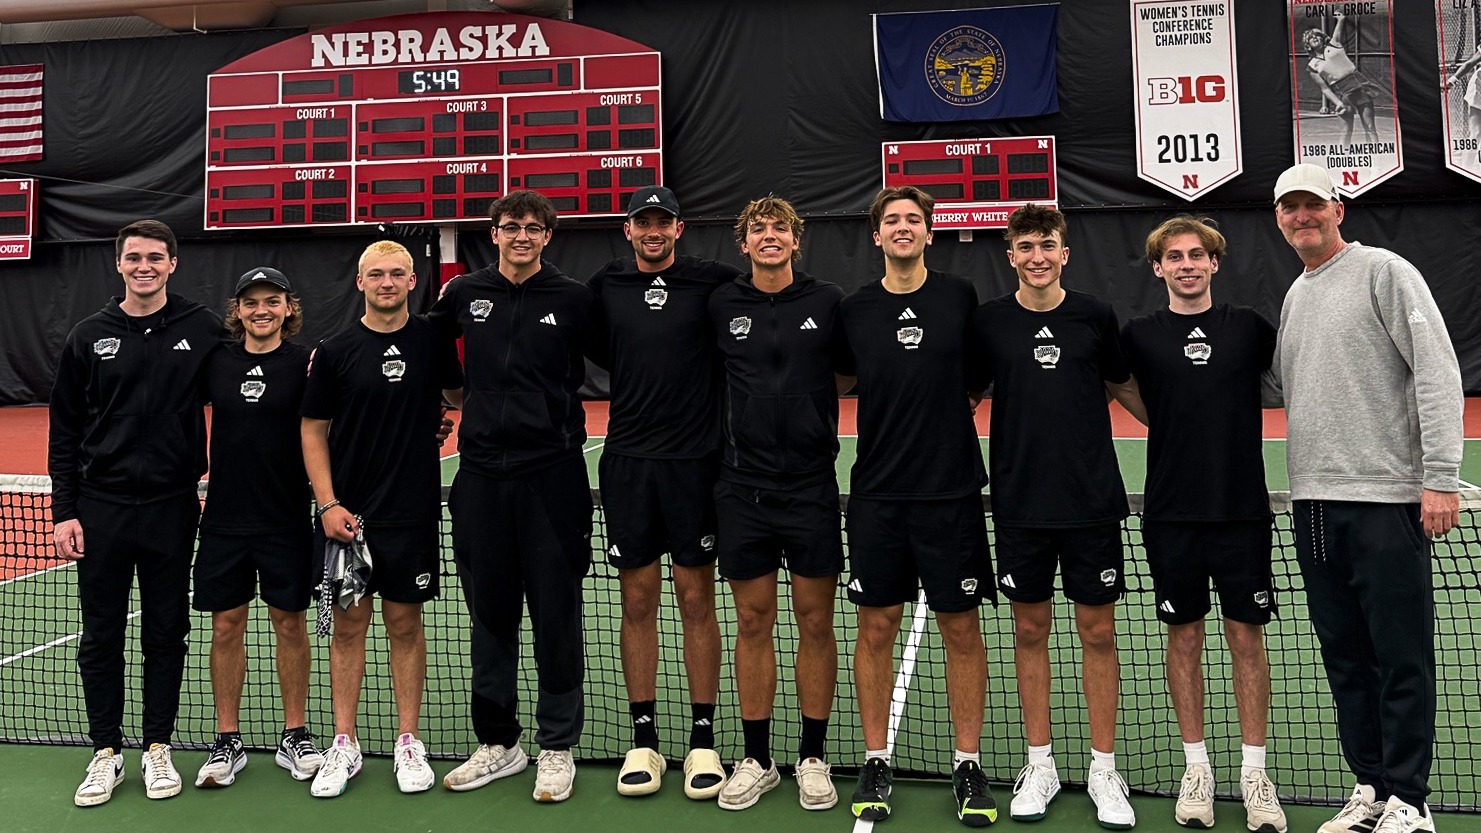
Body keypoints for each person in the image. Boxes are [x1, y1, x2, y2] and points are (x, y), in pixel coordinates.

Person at [1271, 164, 1463, 833]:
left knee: (1398, 655)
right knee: (1344, 656)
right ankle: (1371, 789)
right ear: (1277, 218)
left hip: (1384, 502)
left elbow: (1436, 369)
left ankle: (1410, 799)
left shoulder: (1385, 270)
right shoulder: (1296, 294)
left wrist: (1438, 475)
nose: (1302, 217)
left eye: (1312, 205)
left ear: (1337, 208)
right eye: (1289, 208)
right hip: (1313, 506)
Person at [969, 203, 1145, 830]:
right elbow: (960, 395)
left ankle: (1103, 768)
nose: (1037, 256)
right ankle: (1038, 764)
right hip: (1020, 504)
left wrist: (1187, 431)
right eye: (1025, 247)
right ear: (1010, 255)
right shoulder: (989, 322)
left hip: (1091, 503)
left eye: (1047, 245)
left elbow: (1127, 388)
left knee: (1098, 634)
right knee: (1029, 632)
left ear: (1063, 252)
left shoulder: (1095, 315)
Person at [1120, 217, 1287, 833]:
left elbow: (1292, 377)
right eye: (1175, 257)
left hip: (1242, 511)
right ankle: (1198, 770)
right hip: (1170, 515)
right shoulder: (1138, 335)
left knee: (1247, 640)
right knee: (1183, 639)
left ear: (1214, 264)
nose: (1187, 265)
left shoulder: (1248, 329)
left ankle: (1253, 775)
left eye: (1197, 255)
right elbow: (1122, 387)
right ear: (1158, 268)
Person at [49, 219, 225, 806]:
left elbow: (260, 380)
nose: (144, 266)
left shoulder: (202, 329)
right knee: (101, 635)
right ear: (118, 264)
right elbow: (65, 430)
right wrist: (64, 511)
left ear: (173, 263)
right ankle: (106, 752)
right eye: (133, 257)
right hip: (101, 510)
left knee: (166, 632)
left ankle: (156, 748)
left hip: (173, 508)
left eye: (155, 257)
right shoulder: (87, 336)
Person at [430, 190, 596, 804]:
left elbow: (624, 357)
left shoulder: (575, 298)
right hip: (480, 480)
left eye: (532, 227)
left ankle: (557, 745)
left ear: (547, 236)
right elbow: (429, 351)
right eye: (510, 227)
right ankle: (499, 742)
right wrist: (453, 399)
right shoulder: (464, 294)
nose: (521, 236)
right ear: (493, 233)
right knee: (490, 616)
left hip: (553, 478)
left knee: (557, 612)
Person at [839, 186, 996, 828]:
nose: (902, 228)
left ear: (929, 233)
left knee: (961, 629)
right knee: (875, 629)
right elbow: (844, 378)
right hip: (877, 494)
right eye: (890, 221)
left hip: (951, 492)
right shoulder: (855, 310)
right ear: (876, 236)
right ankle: (876, 756)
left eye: (913, 220)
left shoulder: (959, 298)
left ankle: (967, 762)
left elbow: (980, 371)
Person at [585, 186, 741, 799]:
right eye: (643, 222)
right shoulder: (605, 287)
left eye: (664, 222)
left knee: (695, 596)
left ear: (680, 229)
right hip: (627, 465)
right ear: (628, 230)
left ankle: (703, 739)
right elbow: (593, 346)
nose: (653, 231)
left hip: (695, 467)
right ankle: (644, 739)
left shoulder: (716, 282)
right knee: (637, 600)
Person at [300, 240, 463, 798]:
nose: (387, 282)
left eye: (397, 273)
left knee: (405, 626)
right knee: (347, 627)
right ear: (360, 283)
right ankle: (342, 742)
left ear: (413, 281)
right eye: (377, 274)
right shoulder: (336, 348)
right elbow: (313, 429)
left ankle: (407, 741)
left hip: (411, 512)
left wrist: (438, 422)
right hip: (351, 518)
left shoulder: (433, 341)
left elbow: (456, 395)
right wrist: (328, 504)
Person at [707, 195, 849, 812]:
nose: (770, 237)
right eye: (758, 230)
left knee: (816, 621)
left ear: (797, 241)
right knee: (754, 621)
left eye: (780, 229)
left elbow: (845, 374)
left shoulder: (827, 303)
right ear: (744, 244)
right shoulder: (721, 304)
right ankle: (758, 757)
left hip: (811, 488)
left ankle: (812, 756)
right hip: (741, 489)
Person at [193, 267, 322, 789]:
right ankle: (228, 739)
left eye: (272, 301)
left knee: (289, 625)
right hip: (224, 519)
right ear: (238, 310)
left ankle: (296, 734)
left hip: (286, 518)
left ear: (288, 308)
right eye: (251, 302)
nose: (261, 310)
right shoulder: (215, 361)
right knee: (226, 626)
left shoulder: (307, 364)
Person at [1303, 13, 1380, 146]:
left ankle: (1376, 161)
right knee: (1346, 131)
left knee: (1370, 128)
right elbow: (1325, 89)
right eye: (1310, 37)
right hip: (1342, 94)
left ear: (1322, 38)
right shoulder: (1312, 66)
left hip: (1359, 86)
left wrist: (1340, 18)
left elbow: (1341, 21)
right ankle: (1344, 157)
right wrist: (1338, 102)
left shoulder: (1334, 44)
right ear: (1308, 44)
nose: (1314, 37)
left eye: (1316, 35)